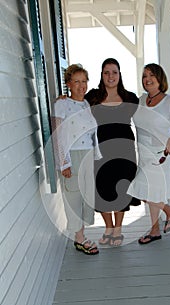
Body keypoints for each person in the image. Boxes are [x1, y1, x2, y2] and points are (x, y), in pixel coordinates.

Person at [127, 63, 170, 244]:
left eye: (151, 75)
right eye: (145, 76)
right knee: (150, 192)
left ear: (160, 79)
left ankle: (169, 211)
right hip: (143, 155)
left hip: (159, 155)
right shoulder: (141, 100)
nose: (147, 79)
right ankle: (155, 230)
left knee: (141, 190)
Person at [85, 58, 141, 246]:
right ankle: (108, 228)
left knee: (121, 190)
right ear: (101, 75)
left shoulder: (130, 98)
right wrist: (63, 98)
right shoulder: (92, 97)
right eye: (106, 72)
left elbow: (147, 119)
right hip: (100, 151)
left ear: (119, 74)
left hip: (125, 151)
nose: (111, 76)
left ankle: (118, 230)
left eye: (114, 72)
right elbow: (75, 104)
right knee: (102, 190)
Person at [52, 64, 102, 255]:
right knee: (73, 196)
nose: (81, 86)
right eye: (77, 82)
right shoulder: (62, 104)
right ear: (68, 84)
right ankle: (79, 239)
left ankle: (81, 234)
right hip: (73, 155)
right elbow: (57, 135)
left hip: (88, 155)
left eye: (84, 81)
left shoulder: (86, 104)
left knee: (86, 197)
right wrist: (64, 162)